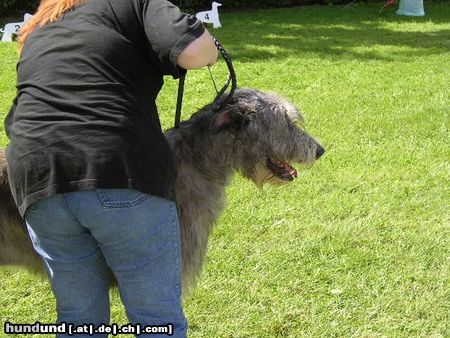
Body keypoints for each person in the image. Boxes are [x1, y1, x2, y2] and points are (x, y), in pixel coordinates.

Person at [4, 0, 218, 337]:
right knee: (156, 319)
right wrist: (208, 42)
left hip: (36, 178)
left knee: (78, 321)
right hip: (117, 167)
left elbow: (16, 119)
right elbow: (194, 52)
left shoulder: (42, 28)